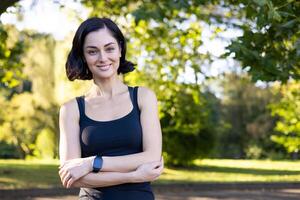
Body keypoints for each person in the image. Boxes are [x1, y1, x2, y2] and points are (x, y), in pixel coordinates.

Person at [58, 17, 163, 200]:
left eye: (109, 48)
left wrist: (92, 163)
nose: (103, 58)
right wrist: (133, 176)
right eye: (92, 51)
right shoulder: (71, 109)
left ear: (120, 49)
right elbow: (71, 177)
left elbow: (152, 157)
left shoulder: (144, 97)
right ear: (83, 56)